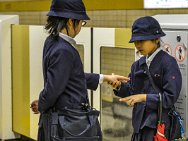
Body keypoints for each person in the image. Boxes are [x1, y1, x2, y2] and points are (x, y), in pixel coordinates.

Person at [30, 0, 129, 140]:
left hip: (60, 121)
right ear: (70, 22)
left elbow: (67, 76)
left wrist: (104, 77)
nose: (81, 27)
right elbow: (53, 89)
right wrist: (42, 103)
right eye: (81, 23)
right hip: (69, 125)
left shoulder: (52, 41)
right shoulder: (63, 50)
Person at [111, 16, 182, 141]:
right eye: (135, 41)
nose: (138, 45)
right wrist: (119, 86)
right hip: (139, 125)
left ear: (156, 39)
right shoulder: (137, 65)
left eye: (142, 41)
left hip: (158, 127)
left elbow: (169, 98)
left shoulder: (168, 63)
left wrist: (144, 97)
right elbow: (132, 91)